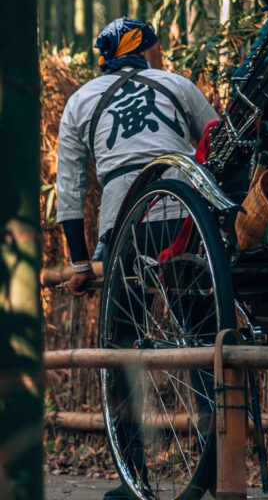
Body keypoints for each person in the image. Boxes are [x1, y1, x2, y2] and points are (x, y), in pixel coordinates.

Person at [57, 17, 217, 297]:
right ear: (143, 51)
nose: (161, 55)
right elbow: (218, 140)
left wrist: (81, 263)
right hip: (186, 216)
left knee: (123, 329)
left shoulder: (79, 101)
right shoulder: (176, 84)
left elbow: (69, 189)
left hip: (124, 223)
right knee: (195, 319)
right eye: (158, 48)